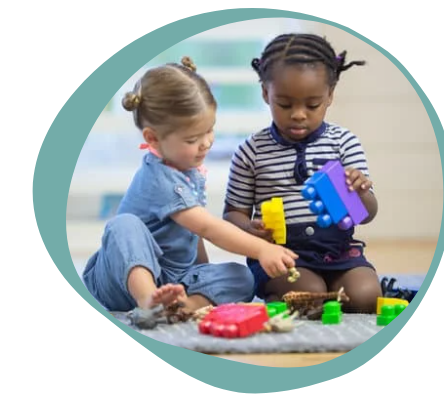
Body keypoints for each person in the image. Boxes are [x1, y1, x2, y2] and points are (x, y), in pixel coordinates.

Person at [82, 56, 298, 314]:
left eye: (210, 130)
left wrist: (203, 275)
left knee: (243, 277)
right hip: (119, 280)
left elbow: (193, 234)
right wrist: (263, 248)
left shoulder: (189, 171)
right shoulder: (159, 177)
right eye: (193, 138)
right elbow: (208, 227)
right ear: (153, 137)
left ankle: (183, 305)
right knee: (123, 225)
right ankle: (148, 299)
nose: (207, 143)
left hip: (174, 279)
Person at [222, 33, 383, 313]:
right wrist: (250, 230)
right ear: (265, 93)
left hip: (340, 252)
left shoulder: (344, 142)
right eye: (285, 104)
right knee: (311, 295)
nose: (298, 114)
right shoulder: (251, 150)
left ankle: (322, 292)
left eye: (312, 105)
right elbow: (232, 213)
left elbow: (366, 214)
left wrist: (360, 192)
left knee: (366, 297)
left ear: (330, 95)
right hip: (281, 255)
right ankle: (278, 293)